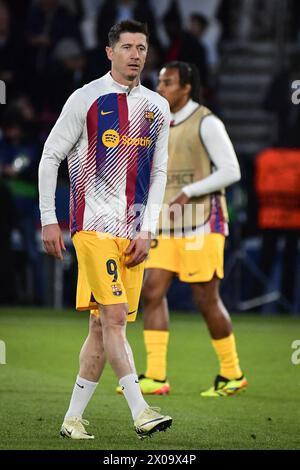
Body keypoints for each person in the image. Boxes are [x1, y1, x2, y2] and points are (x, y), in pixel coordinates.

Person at [38, 19, 172, 440]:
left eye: (142, 48)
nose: (136, 54)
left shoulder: (157, 107)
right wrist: (48, 219)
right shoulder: (86, 98)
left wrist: (147, 229)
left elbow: (160, 173)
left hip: (133, 234)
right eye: (128, 47)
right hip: (92, 228)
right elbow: (49, 157)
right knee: (114, 318)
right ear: (109, 51)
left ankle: (72, 419)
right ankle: (141, 412)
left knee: (102, 327)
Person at [136, 61, 248, 397]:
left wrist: (190, 190)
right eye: (159, 83)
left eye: (168, 83)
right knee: (152, 291)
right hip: (167, 223)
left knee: (205, 299)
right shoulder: (155, 121)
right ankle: (155, 376)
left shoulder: (207, 122)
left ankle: (232, 374)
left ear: (186, 87)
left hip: (203, 222)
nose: (161, 89)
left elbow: (232, 171)